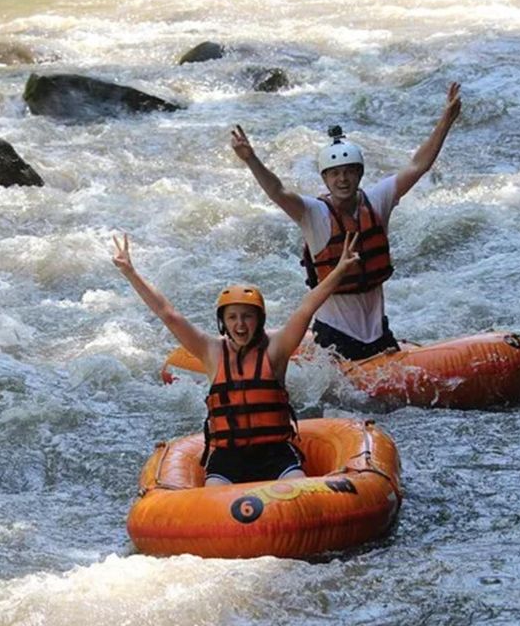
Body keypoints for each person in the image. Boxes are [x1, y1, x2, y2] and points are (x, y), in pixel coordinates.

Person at [231, 82, 462, 361]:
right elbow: (277, 191)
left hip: (378, 333)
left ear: (359, 173)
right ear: (325, 179)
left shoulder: (377, 201)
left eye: (349, 172)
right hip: (334, 335)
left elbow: (417, 165)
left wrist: (446, 120)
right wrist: (251, 159)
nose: (343, 179)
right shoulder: (313, 213)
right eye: (335, 174)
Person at [111, 231, 359, 486]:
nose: (240, 324)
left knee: (301, 492)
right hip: (228, 459)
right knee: (212, 505)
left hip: (276, 455)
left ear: (259, 319)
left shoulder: (277, 348)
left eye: (247, 316)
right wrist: (131, 272)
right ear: (223, 322)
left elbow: (307, 307)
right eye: (232, 317)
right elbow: (168, 314)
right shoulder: (211, 351)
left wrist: (339, 270)